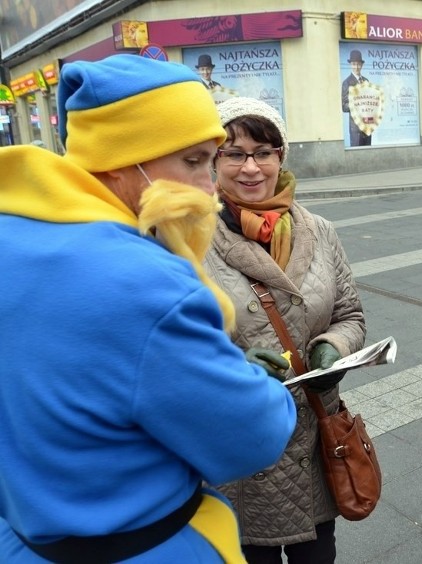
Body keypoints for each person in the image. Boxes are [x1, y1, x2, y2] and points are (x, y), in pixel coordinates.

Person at [0, 54, 297, 562]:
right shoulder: (145, 279)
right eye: (193, 161)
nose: (210, 186)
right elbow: (251, 437)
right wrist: (257, 386)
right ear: (123, 158)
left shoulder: (17, 230)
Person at [204, 96, 367, 564]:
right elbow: (165, 347)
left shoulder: (320, 230)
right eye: (234, 153)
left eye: (264, 152)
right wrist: (233, 366)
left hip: (313, 436)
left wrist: (333, 349)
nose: (251, 167)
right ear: (214, 160)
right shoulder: (187, 237)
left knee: (318, 555)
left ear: (281, 157)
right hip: (237, 442)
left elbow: (351, 315)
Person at [341, 49, 372, 147]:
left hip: (367, 125)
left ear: (362, 65)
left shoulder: (366, 81)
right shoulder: (347, 83)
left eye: (358, 64)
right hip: (356, 128)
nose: (356, 67)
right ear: (351, 65)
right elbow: (344, 107)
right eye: (354, 64)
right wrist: (357, 104)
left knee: (368, 154)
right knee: (356, 156)